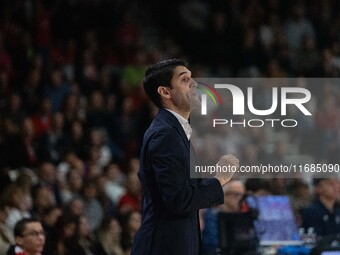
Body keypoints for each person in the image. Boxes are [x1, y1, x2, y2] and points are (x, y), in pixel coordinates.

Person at [131, 59, 239, 255]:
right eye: (185, 79)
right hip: (163, 246)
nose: (194, 83)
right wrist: (219, 179)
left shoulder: (174, 130)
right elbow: (179, 199)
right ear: (165, 92)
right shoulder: (165, 134)